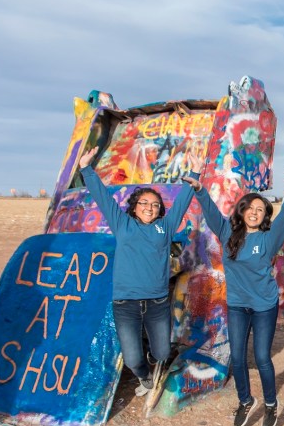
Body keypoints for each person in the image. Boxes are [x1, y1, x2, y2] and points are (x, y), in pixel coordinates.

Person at [79, 146, 199, 396]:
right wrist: (85, 169)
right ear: (134, 207)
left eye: (155, 204)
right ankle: (143, 376)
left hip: (157, 302)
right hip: (126, 303)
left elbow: (182, 203)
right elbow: (102, 196)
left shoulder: (164, 228)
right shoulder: (122, 224)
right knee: (133, 359)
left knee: (162, 353)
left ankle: (154, 356)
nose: (150, 207)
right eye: (144, 203)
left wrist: (196, 173)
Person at [187, 177, 284, 426]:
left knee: (261, 357)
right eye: (251, 208)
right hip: (238, 305)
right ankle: (245, 400)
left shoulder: (268, 239)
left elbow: (283, 222)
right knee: (237, 357)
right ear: (242, 210)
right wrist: (199, 189)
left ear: (264, 216)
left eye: (261, 210)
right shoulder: (228, 234)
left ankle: (271, 403)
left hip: (264, 306)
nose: (255, 213)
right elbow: (212, 213)